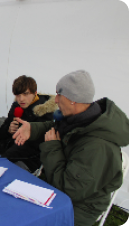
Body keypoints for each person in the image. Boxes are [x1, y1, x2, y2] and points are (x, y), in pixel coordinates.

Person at [12, 70, 129, 226]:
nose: (56, 100)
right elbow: (54, 127)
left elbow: (68, 191)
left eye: (60, 95)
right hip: (60, 185)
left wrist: (52, 147)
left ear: (73, 100)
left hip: (79, 206)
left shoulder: (98, 147)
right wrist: (32, 129)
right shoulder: (79, 118)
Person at [0, 75, 57, 172]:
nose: (21, 99)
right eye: (18, 95)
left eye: (26, 94)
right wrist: (8, 130)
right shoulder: (16, 106)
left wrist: (4, 158)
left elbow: (32, 146)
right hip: (6, 151)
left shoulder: (45, 112)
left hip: (27, 160)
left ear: (35, 93)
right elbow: (1, 134)